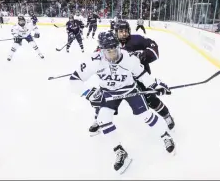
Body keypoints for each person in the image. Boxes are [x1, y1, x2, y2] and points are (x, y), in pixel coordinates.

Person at [69, 31, 175, 173]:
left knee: (146, 115)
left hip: (129, 90)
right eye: (109, 51)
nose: (113, 54)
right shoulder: (94, 60)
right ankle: (119, 151)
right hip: (108, 92)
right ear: (101, 50)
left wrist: (156, 86)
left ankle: (165, 135)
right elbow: (73, 82)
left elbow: (142, 75)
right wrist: (89, 93)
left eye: (115, 50)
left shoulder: (128, 58)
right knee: (103, 119)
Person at [89, 20, 175, 136]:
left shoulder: (137, 39)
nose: (124, 34)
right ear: (116, 32)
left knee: (149, 97)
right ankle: (100, 120)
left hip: (139, 75)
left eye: (126, 31)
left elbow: (154, 47)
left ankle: (166, 115)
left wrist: (143, 55)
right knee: (106, 96)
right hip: (118, 77)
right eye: (121, 31)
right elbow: (99, 54)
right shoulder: (112, 42)